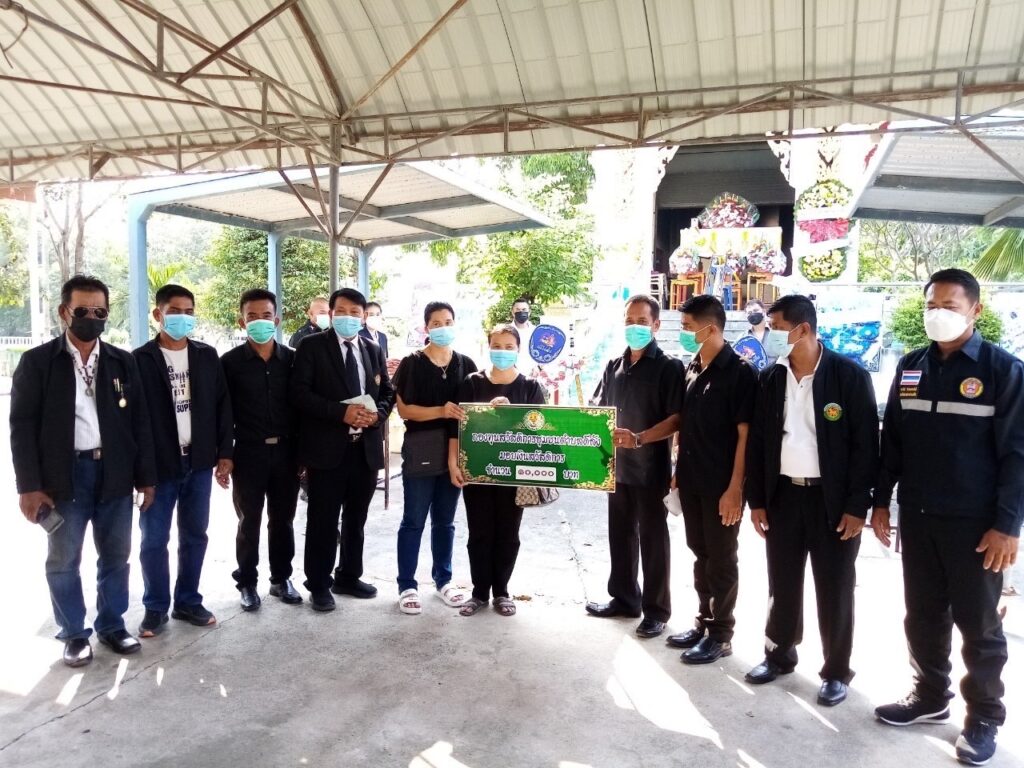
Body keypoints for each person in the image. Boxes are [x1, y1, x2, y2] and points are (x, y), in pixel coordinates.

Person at [872, 269, 1023, 766]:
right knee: (922, 615)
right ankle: (930, 696)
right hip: (918, 515)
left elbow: (1018, 454)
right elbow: (893, 440)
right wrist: (880, 501)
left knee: (979, 625)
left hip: (976, 526)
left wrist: (1008, 525)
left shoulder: (1003, 370)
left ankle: (984, 716)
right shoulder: (911, 366)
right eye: (932, 304)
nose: (938, 313)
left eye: (950, 306)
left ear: (975, 310)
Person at [11, 275, 156, 666]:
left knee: (116, 557)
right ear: (64, 312)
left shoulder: (122, 361)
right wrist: (29, 486)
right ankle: (74, 633)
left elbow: (140, 423)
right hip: (64, 478)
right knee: (63, 560)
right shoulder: (38, 362)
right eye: (82, 311)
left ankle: (112, 625)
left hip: (115, 475)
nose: (92, 318)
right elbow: (21, 427)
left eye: (100, 312)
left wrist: (146, 478)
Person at [744, 294, 877, 707]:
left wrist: (857, 506)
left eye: (777, 327)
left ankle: (835, 671)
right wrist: (757, 500)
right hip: (784, 495)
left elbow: (866, 447)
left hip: (832, 502)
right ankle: (779, 655)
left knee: (835, 588)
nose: (770, 334)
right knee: (782, 582)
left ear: (803, 329)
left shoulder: (848, 376)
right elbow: (759, 443)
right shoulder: (771, 378)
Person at [644, 295, 756, 664]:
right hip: (691, 480)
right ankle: (704, 623)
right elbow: (684, 425)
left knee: (721, 559)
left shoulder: (740, 372)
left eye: (688, 327)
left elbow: (745, 435)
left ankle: (721, 634)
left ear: (710, 328)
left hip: (722, 485)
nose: (684, 333)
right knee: (700, 554)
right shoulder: (693, 367)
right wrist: (677, 472)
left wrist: (735, 488)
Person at [134, 284, 233, 636]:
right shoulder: (140, 360)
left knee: (194, 535)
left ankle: (188, 600)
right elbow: (134, 420)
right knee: (153, 540)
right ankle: (155, 607)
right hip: (159, 467)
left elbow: (222, 406)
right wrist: (141, 471)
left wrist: (225, 452)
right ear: (158, 314)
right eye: (175, 311)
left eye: (189, 311)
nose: (183, 317)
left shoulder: (206, 355)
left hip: (199, 462)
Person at [291, 287, 395, 611]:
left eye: (355, 312)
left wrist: (378, 414)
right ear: (332, 313)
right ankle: (319, 584)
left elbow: (387, 391)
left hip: (364, 449)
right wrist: (341, 413)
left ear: (363, 318)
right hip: (327, 450)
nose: (349, 317)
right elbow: (299, 395)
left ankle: (348, 576)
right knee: (323, 520)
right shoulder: (311, 346)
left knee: (356, 518)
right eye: (342, 311)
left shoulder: (372, 348)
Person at [586, 294, 684, 639]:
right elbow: (598, 408)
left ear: (656, 325)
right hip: (615, 468)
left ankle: (656, 611)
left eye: (642, 321)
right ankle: (625, 599)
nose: (635, 327)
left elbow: (676, 418)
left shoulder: (669, 367)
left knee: (653, 540)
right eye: (630, 320)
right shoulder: (614, 365)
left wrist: (639, 439)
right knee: (621, 534)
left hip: (650, 469)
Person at [449, 324, 545, 617]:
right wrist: (453, 462)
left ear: (518, 350)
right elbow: (456, 427)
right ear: (488, 347)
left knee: (508, 533)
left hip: (514, 474)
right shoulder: (471, 383)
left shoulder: (530, 387)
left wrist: (512, 411)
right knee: (479, 532)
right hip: (476, 471)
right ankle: (479, 593)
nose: (502, 352)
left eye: (508, 347)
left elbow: (541, 430)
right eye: (497, 346)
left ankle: (501, 592)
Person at [392, 301, 478, 615]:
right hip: (421, 449)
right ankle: (407, 585)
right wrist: (441, 411)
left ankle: (444, 580)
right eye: (437, 323)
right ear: (427, 327)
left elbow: (477, 407)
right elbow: (404, 410)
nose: (443, 327)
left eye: (448, 321)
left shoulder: (466, 364)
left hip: (456, 452)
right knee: (413, 520)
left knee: (445, 521)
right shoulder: (412, 363)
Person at [221, 289, 303, 612]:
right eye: (252, 316)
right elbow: (222, 413)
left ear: (277, 320)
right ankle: (247, 582)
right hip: (248, 453)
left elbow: (302, 409)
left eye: (266, 316)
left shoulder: (293, 360)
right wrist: (224, 455)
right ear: (242, 322)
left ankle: (281, 579)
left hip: (287, 452)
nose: (259, 322)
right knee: (249, 520)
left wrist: (304, 454)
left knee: (283, 520)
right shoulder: (229, 363)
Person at [360, 300, 400, 379]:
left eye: (378, 314)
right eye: (371, 315)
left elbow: (385, 358)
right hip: (365, 377)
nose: (375, 317)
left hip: (381, 378)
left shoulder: (383, 336)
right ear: (364, 316)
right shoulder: (359, 335)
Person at [511, 297, 536, 373]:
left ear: (529, 312)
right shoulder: (506, 332)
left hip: (534, 375)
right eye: (518, 310)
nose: (521, 312)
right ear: (513, 312)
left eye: (524, 310)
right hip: (512, 375)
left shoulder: (536, 332)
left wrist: (539, 368)